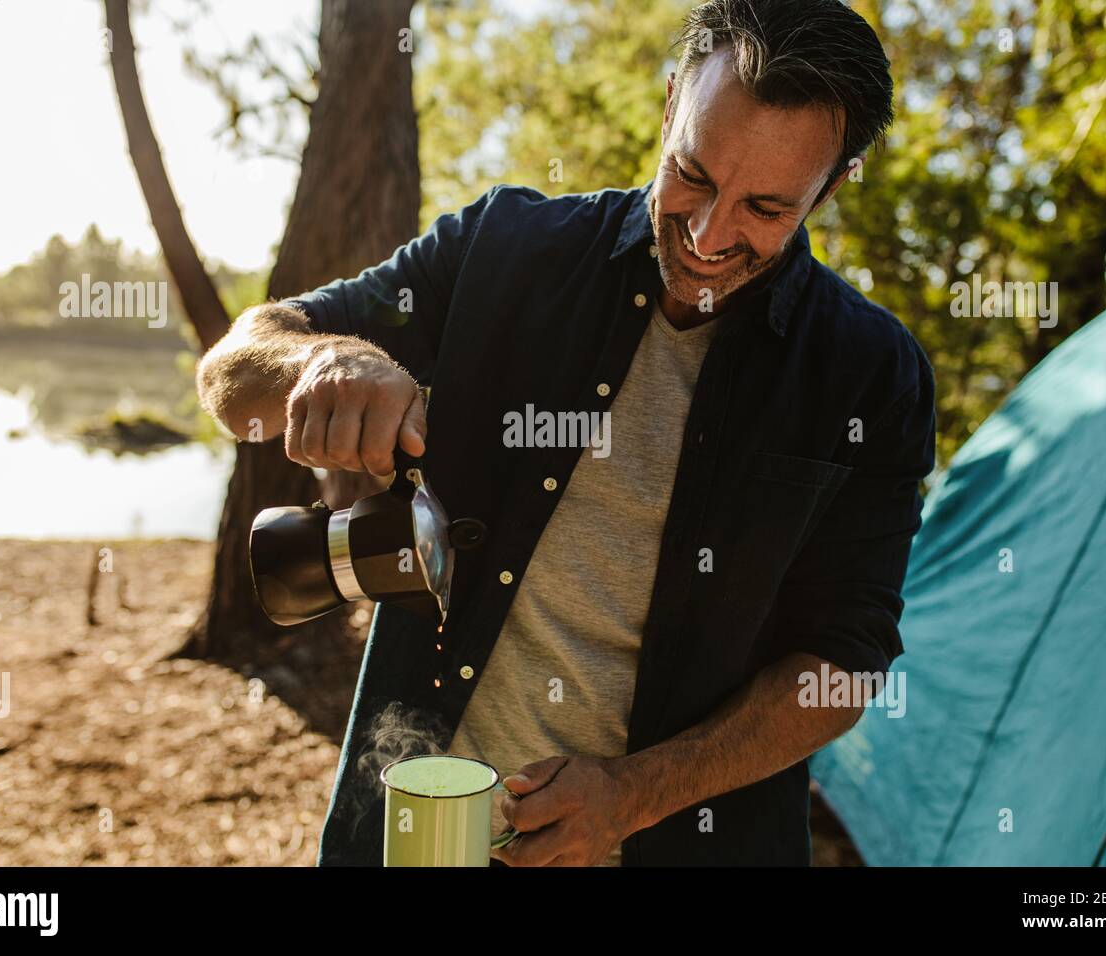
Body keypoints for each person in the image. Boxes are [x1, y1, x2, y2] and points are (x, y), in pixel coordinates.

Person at [196, 0, 935, 866]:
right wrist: (326, 360)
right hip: (413, 832)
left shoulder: (873, 375)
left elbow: (844, 662)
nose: (707, 234)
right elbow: (233, 371)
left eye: (765, 209)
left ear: (833, 184)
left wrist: (636, 795)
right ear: (668, 108)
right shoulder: (505, 245)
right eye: (692, 174)